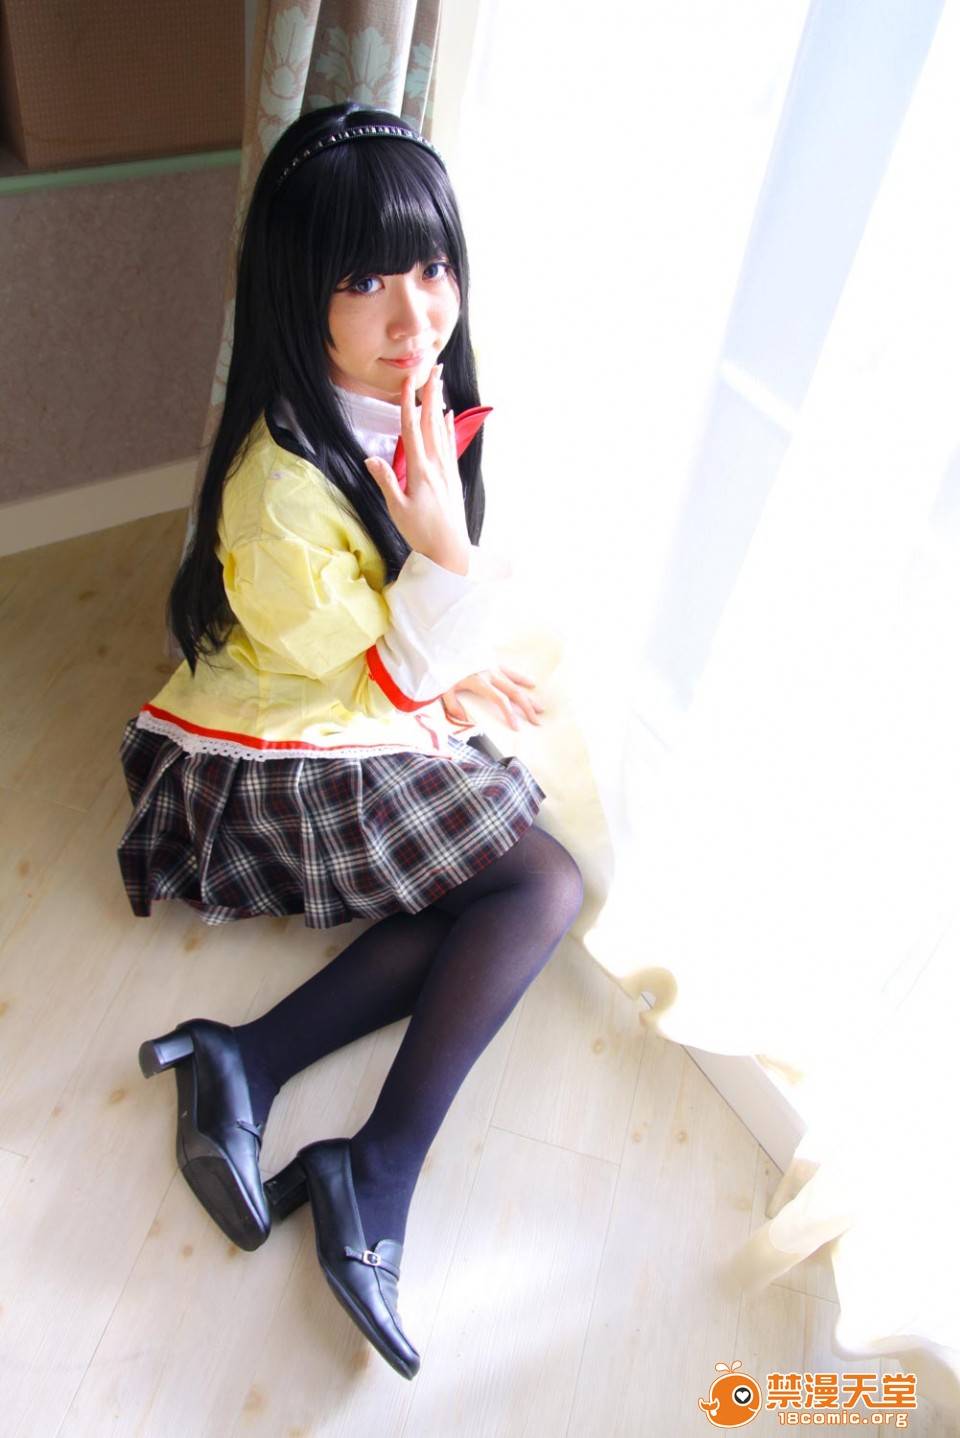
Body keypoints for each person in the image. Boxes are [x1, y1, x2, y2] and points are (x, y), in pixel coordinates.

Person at [119, 102, 584, 1381]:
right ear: (299, 293)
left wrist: (450, 621)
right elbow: (362, 653)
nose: (413, 314)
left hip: (341, 693)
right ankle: (371, 1165)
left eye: (431, 267)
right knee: (534, 883)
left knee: (503, 882)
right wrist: (447, 567)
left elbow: (388, 625)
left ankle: (249, 1062)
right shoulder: (275, 489)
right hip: (260, 752)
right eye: (363, 281)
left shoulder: (403, 402)